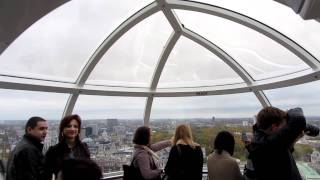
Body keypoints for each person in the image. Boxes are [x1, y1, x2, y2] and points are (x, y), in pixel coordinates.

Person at [246, 107, 306, 180]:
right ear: (274, 127)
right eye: (284, 126)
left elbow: (281, 156)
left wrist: (294, 140)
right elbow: (299, 119)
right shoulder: (266, 145)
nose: (285, 129)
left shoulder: (261, 141)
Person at [45, 114, 90, 179]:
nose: (72, 129)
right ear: (62, 129)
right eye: (68, 126)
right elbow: (47, 174)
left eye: (75, 126)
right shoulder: (53, 150)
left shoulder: (84, 147)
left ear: (78, 130)